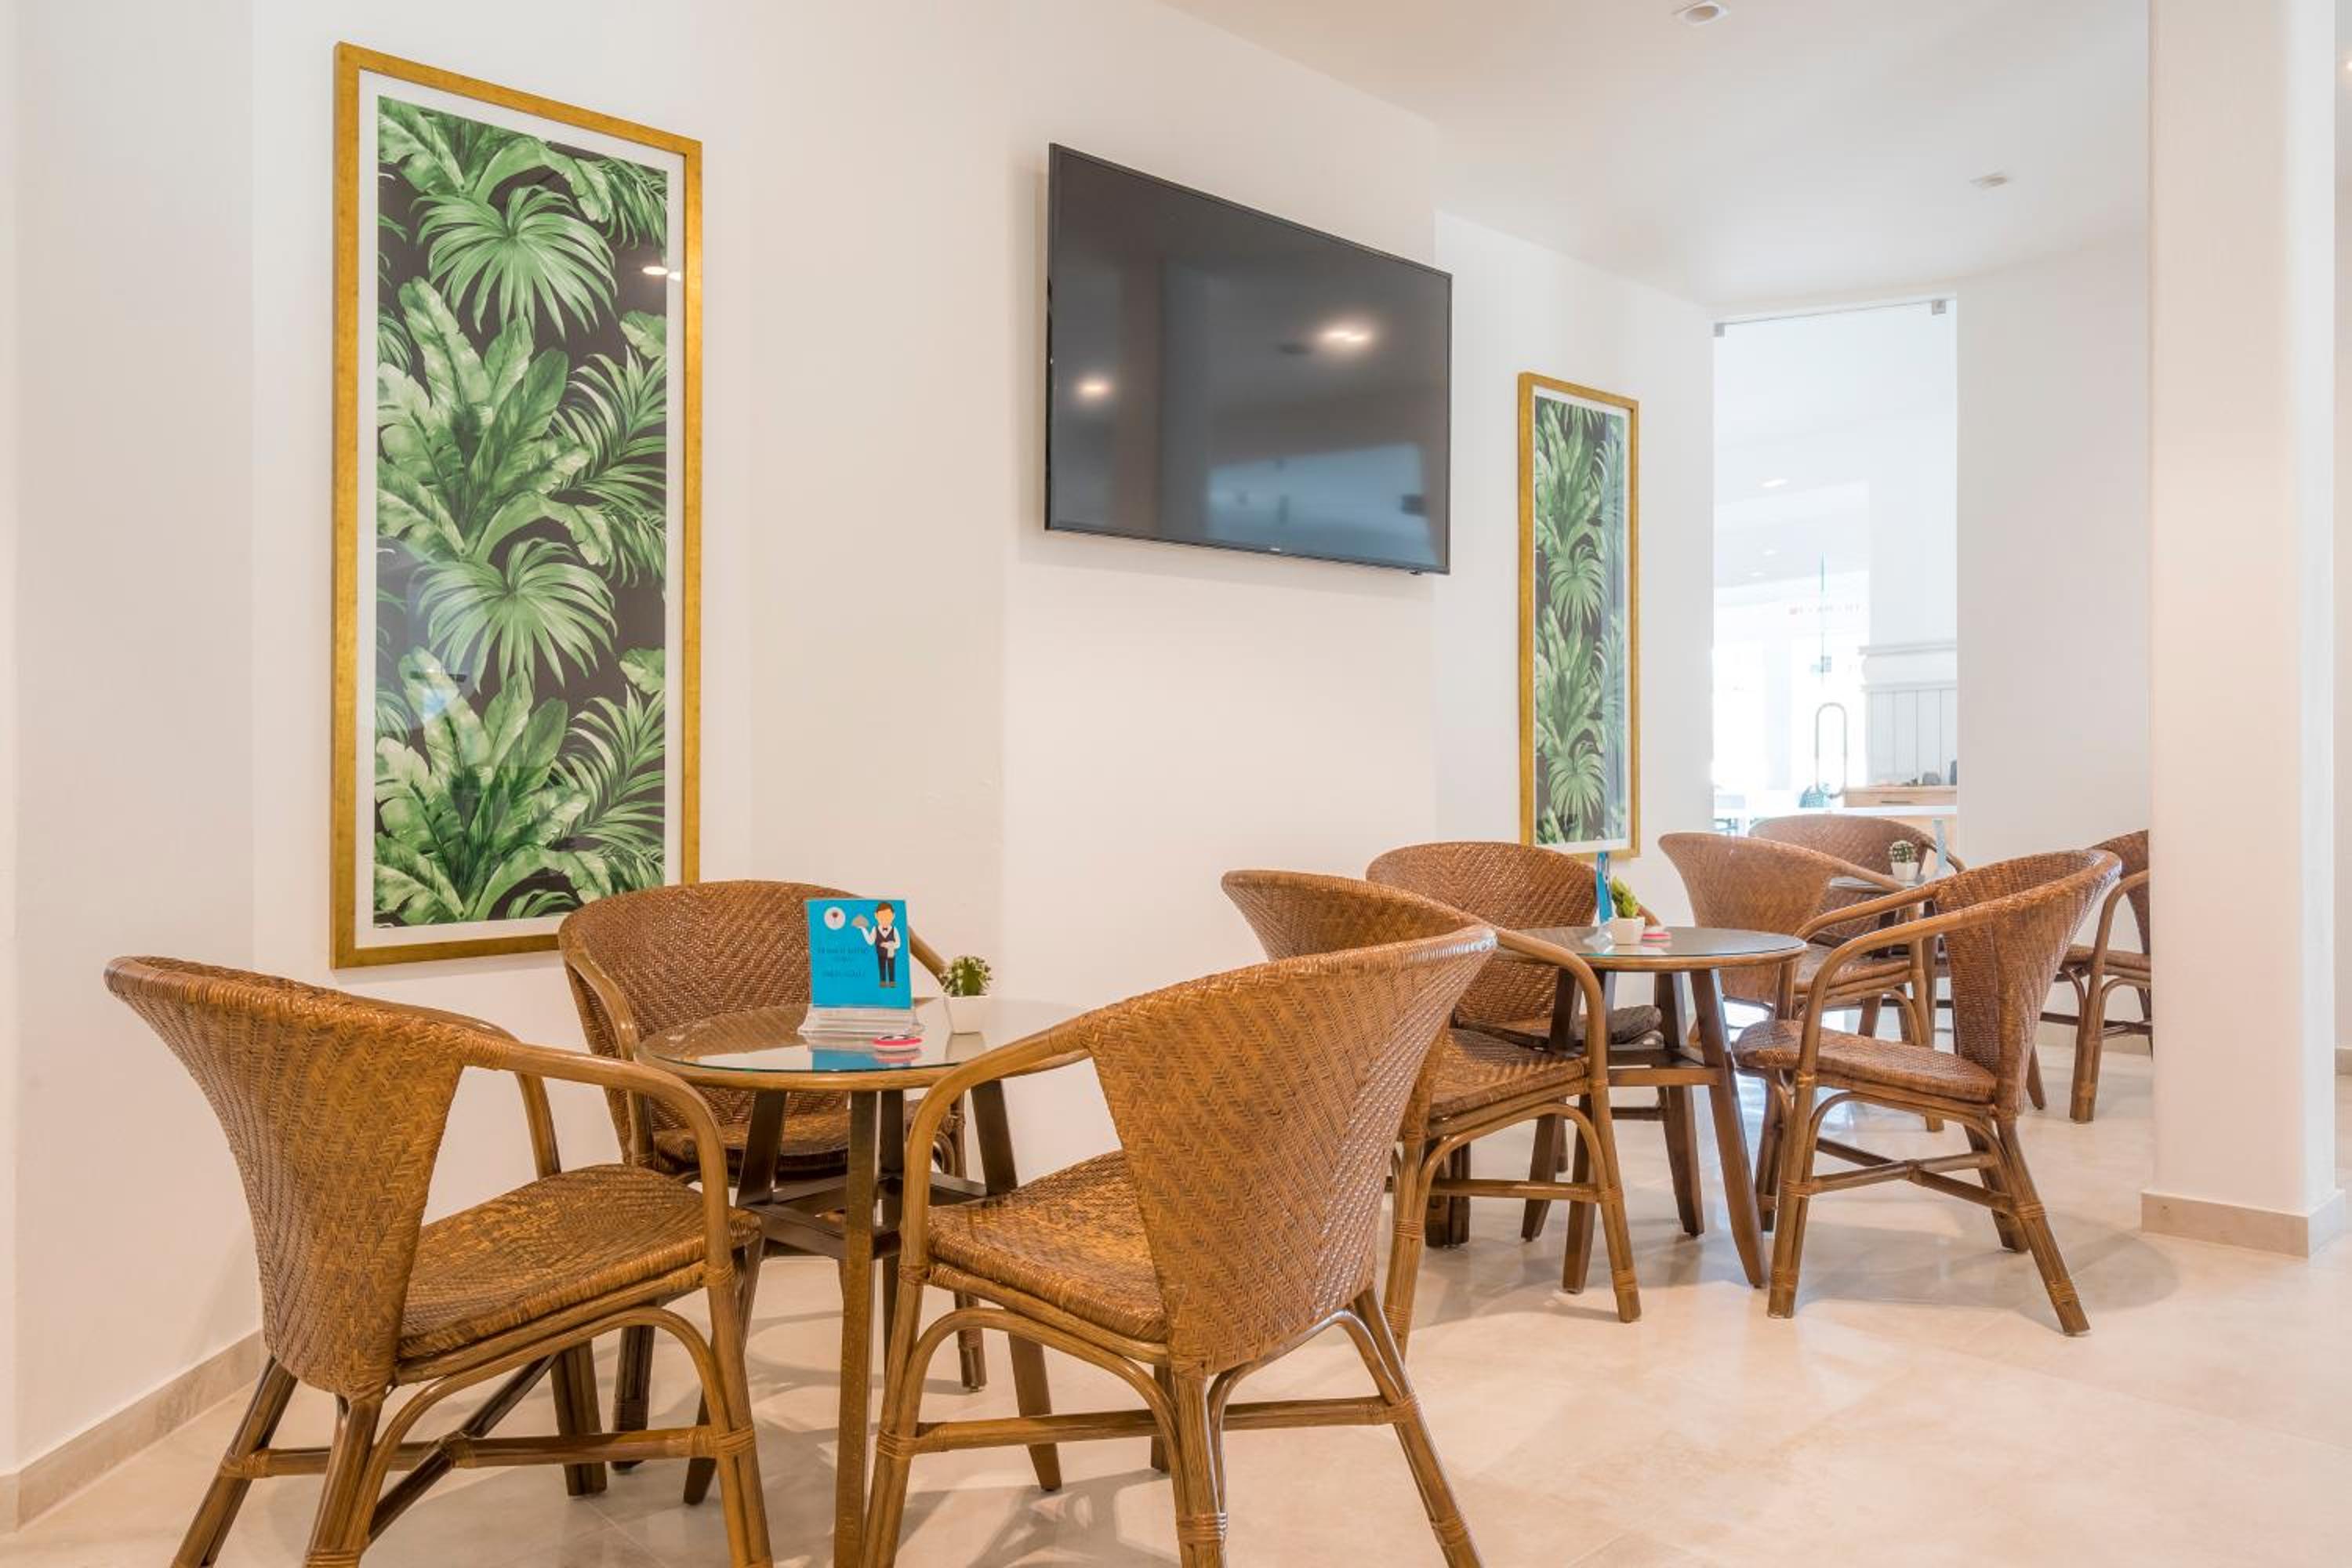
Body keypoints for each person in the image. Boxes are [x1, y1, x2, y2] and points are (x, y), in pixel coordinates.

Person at [853, 902, 903, 988]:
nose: (885, 920)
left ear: (893, 916)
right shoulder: (875, 929)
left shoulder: (894, 929)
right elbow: (870, 942)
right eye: (882, 917)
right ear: (876, 916)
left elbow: (898, 944)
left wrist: (888, 945)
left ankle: (892, 983)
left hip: (891, 954)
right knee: (882, 968)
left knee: (891, 968)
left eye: (888, 917)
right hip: (880, 954)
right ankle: (883, 983)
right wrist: (863, 929)